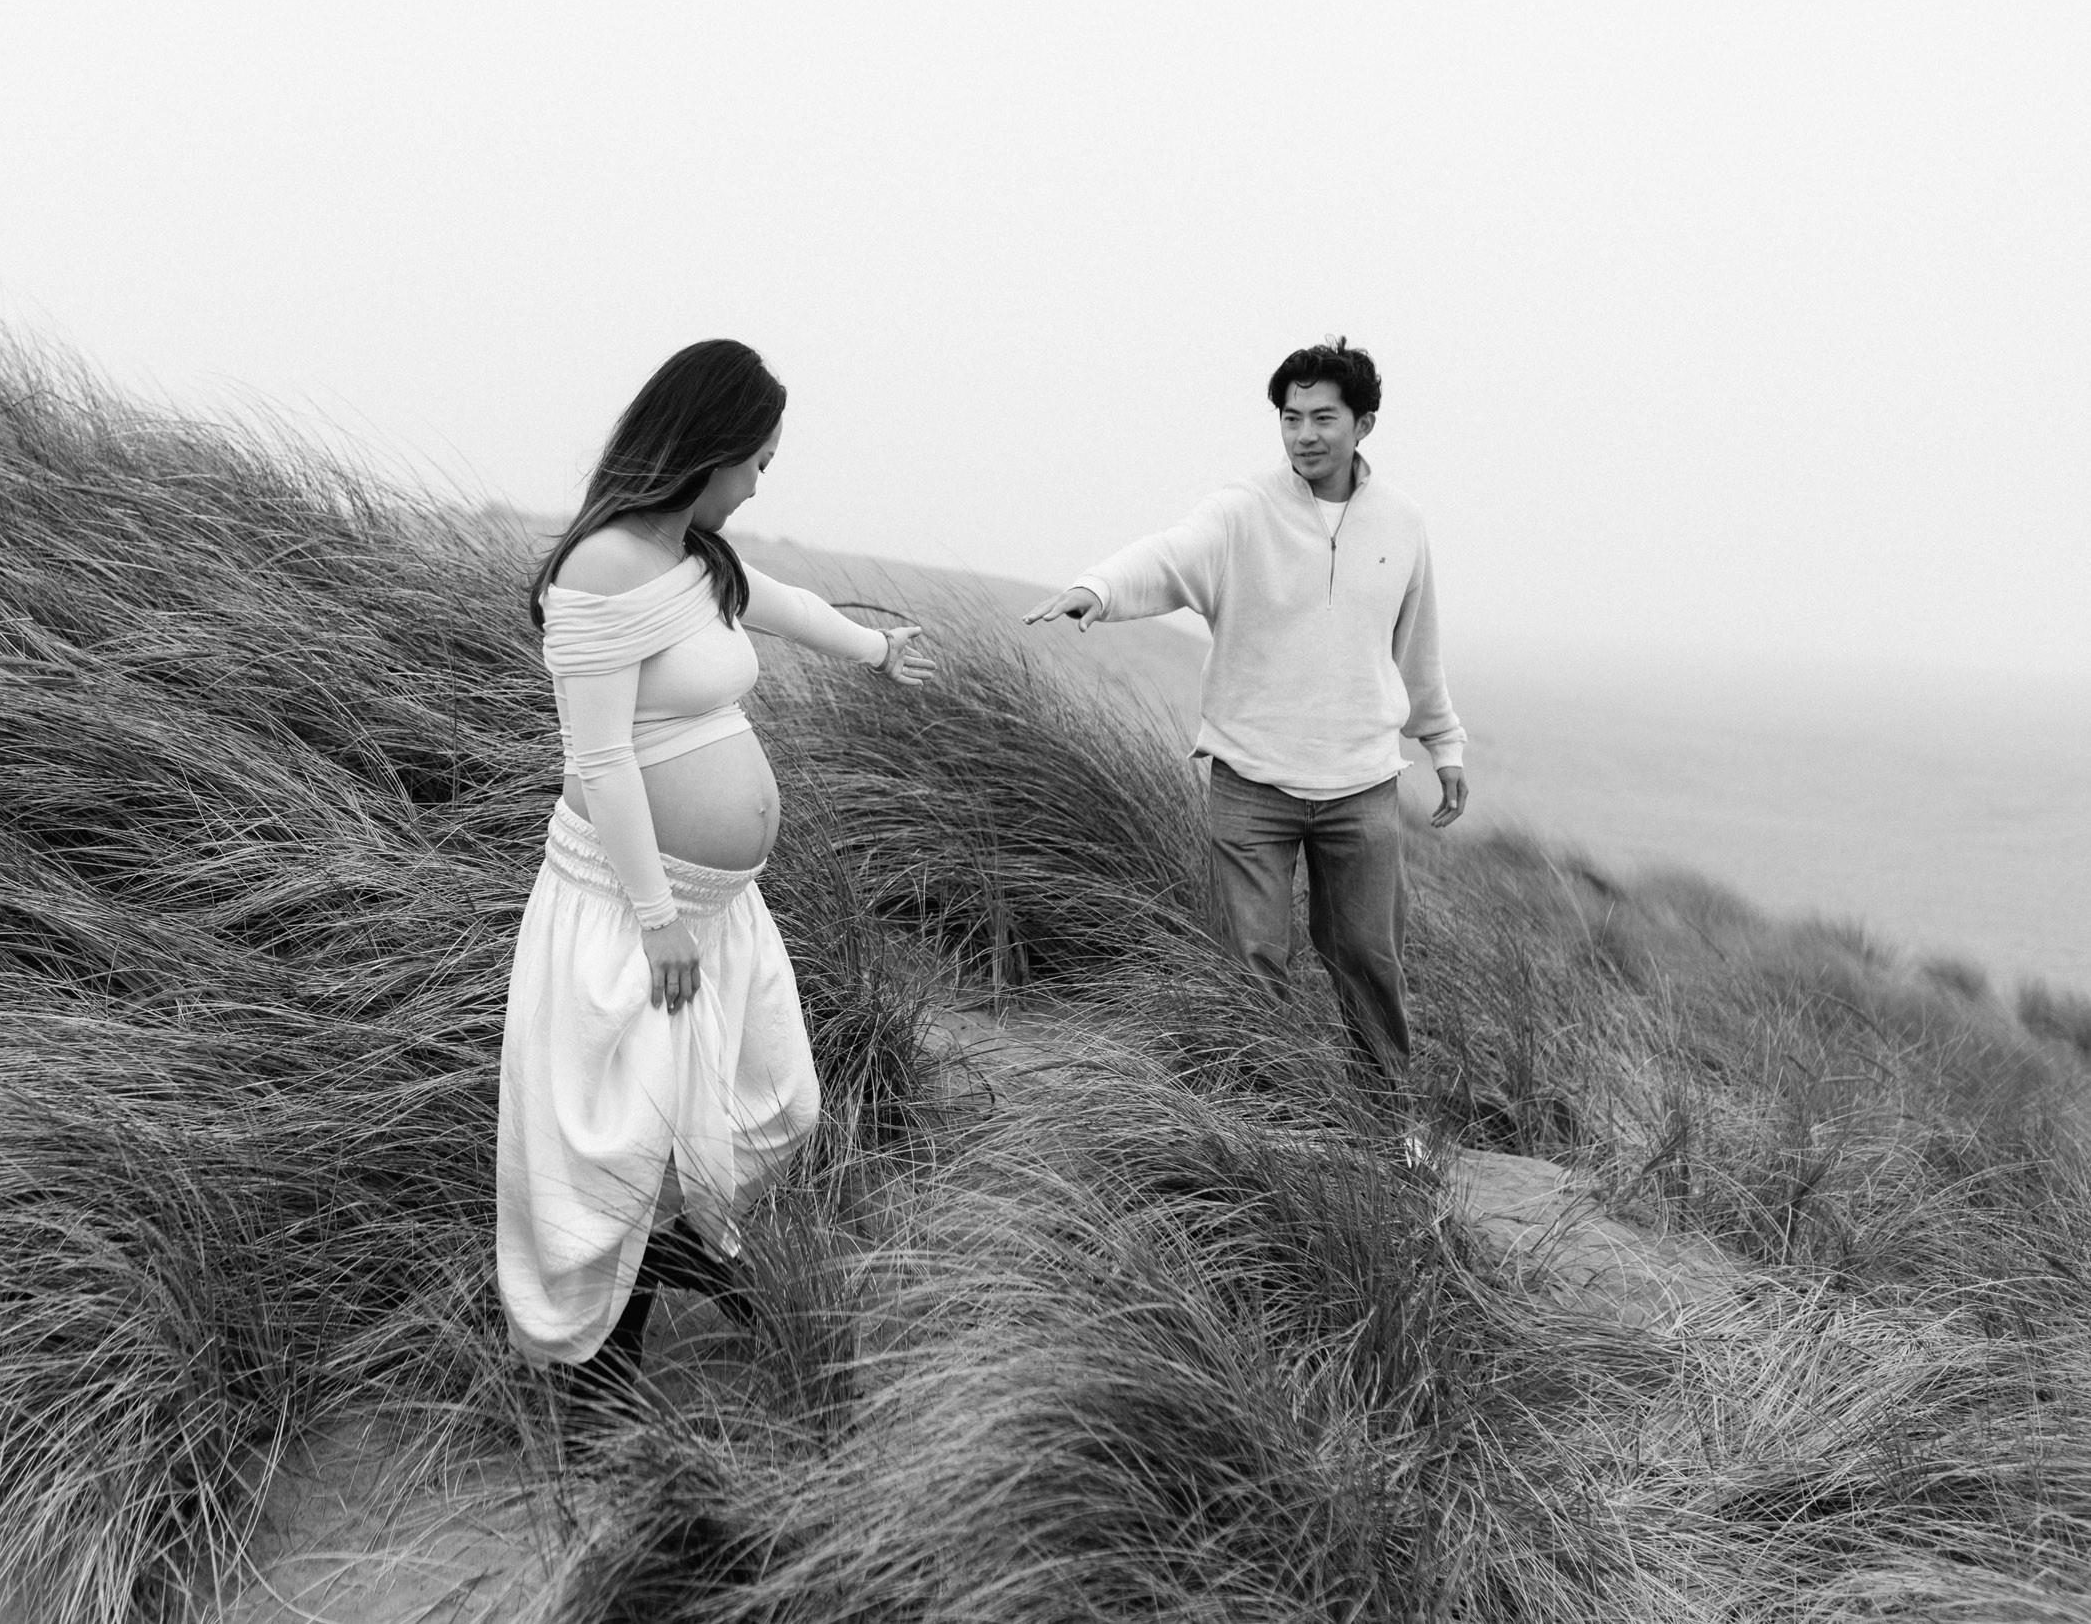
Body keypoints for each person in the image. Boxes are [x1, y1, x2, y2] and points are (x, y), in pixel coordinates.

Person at [500, 339, 937, 1418]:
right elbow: (597, 760)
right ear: (707, 448)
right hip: (631, 912)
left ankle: (677, 1259)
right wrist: (655, 920)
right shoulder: (600, 568)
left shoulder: (701, 559)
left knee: (770, 1099)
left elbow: (780, 603)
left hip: (719, 910)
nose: (757, 484)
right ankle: (596, 1377)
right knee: (616, 1143)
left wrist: (877, 653)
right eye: (755, 461)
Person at [1023, 338, 1466, 1107]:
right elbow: (1170, 555)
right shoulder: (1243, 511)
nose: (1303, 435)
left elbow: (1414, 648)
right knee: (1251, 961)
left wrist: (1444, 742)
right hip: (1251, 781)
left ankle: (1387, 1125)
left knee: (1368, 958)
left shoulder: (1403, 523)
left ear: (1364, 424)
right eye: (1290, 417)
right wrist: (1098, 586)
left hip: (1362, 782)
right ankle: (1253, 1121)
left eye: (1323, 417)